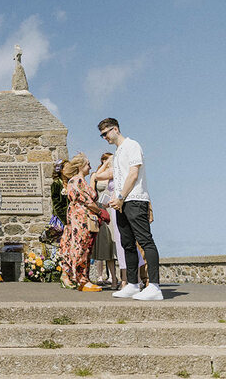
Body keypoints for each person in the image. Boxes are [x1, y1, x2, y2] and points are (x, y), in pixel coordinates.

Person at [99, 118, 163, 301]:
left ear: (115, 129)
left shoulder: (132, 145)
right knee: (127, 244)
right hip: (121, 203)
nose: (104, 138)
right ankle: (133, 284)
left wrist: (120, 197)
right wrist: (114, 198)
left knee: (145, 241)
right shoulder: (117, 153)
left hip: (135, 200)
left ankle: (155, 286)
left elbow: (134, 175)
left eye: (106, 133)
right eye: (101, 135)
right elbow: (119, 180)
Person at [58, 154, 105, 292]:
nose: (90, 166)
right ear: (80, 166)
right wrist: (101, 212)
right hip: (80, 218)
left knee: (85, 247)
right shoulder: (76, 181)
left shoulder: (81, 180)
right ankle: (81, 279)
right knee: (81, 246)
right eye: (88, 164)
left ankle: (84, 278)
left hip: (84, 218)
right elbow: (88, 201)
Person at [89, 153, 118, 290]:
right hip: (101, 212)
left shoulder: (114, 173)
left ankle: (114, 278)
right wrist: (106, 163)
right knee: (103, 246)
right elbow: (94, 178)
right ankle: (102, 276)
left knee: (113, 245)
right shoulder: (99, 173)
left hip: (112, 209)